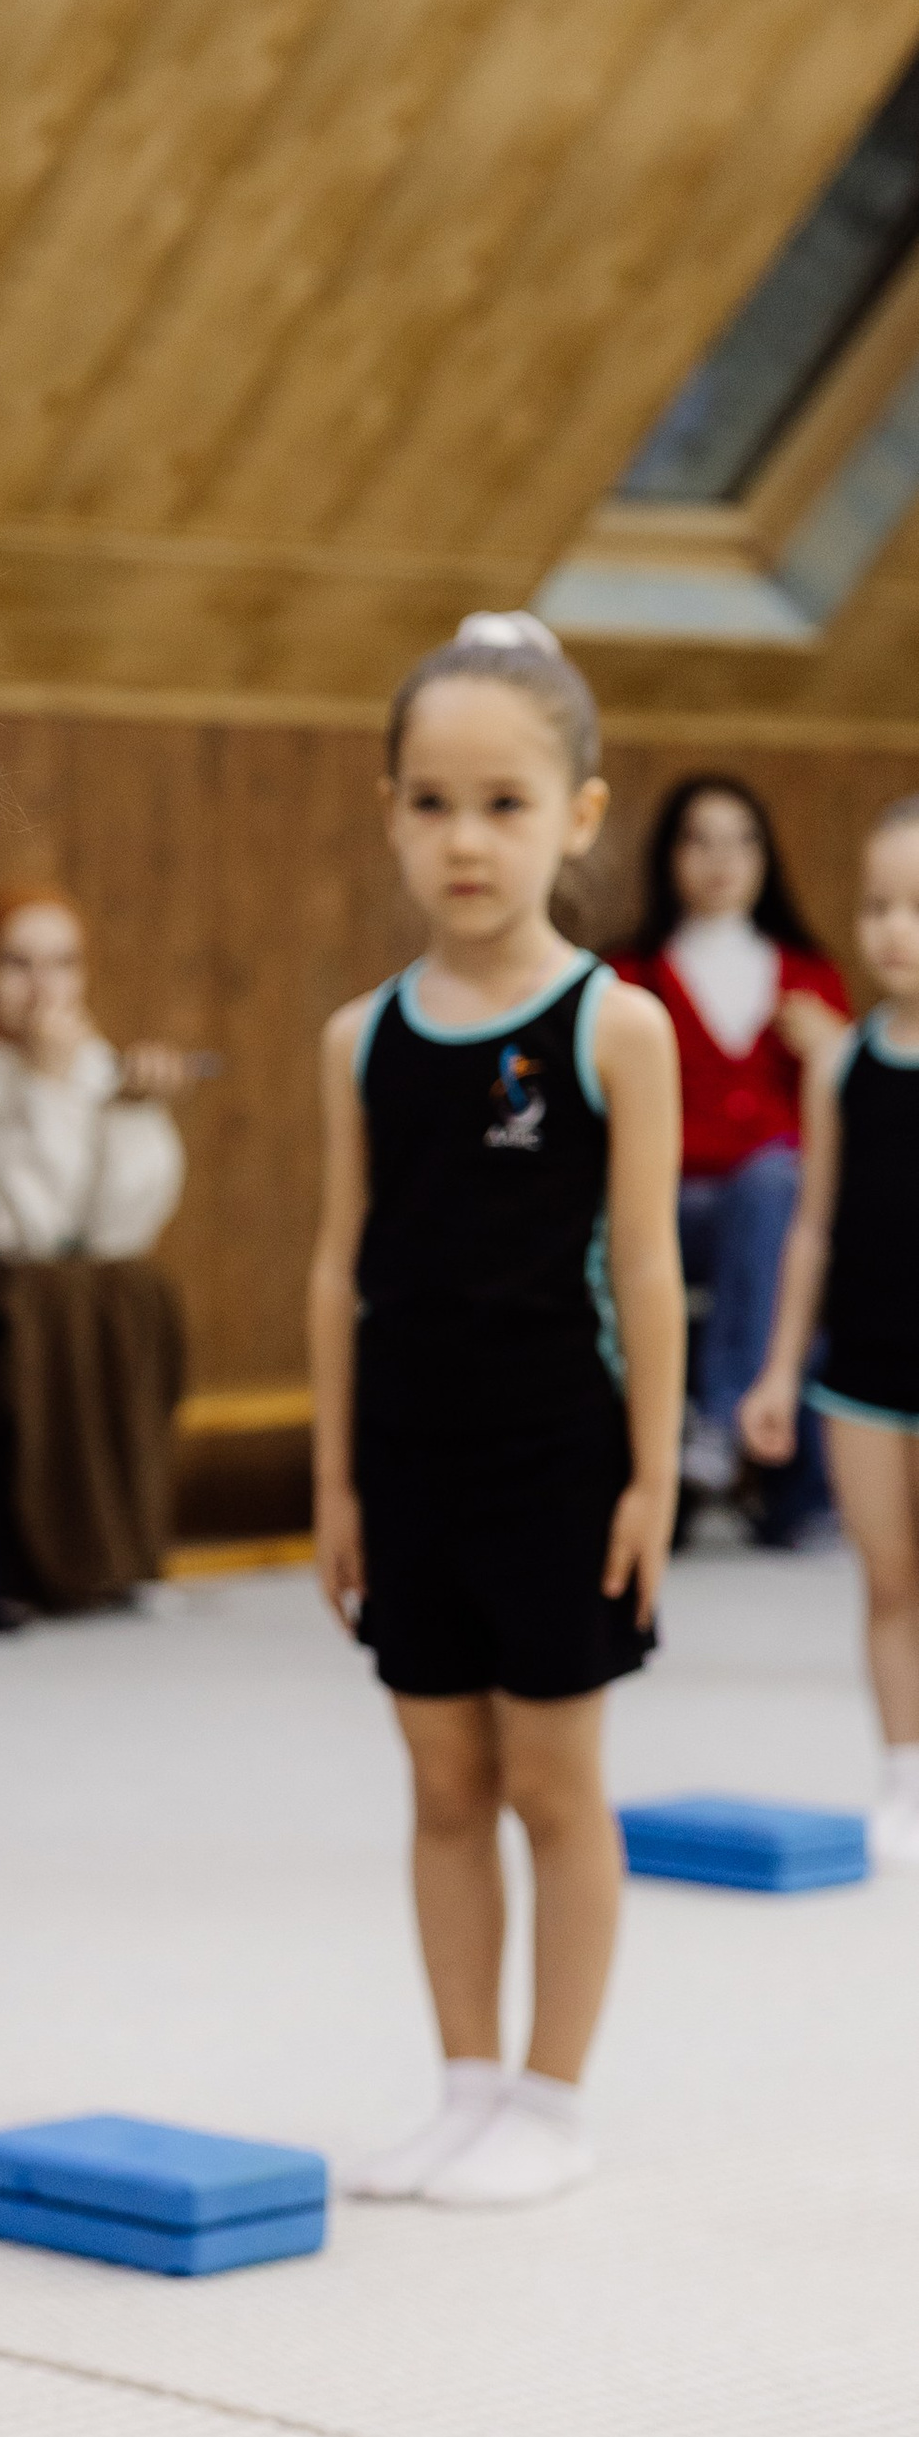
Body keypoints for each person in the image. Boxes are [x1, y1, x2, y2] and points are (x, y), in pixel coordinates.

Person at [310, 612, 682, 2210]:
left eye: (507, 803)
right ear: (392, 809)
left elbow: (651, 1271)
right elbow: (342, 1268)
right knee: (442, 1783)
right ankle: (463, 2082)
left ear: (578, 816)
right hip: (409, 1461)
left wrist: (654, 1480)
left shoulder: (615, 1028)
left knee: (552, 1781)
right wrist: (333, 1483)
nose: (467, 840)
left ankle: (554, 2092)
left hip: (559, 1457)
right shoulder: (362, 1039)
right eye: (435, 803)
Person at [0, 886, 194, 1617]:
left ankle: (108, 1546)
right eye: (17, 964)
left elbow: (117, 1228)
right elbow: (8, 1230)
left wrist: (133, 1112)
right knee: (56, 1305)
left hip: (41, 1275)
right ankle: (37, 1556)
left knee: (136, 1289)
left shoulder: (75, 1047)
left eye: (63, 965)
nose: (44, 989)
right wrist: (47, 1086)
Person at [739, 797, 919, 1864]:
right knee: (887, 1581)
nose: (895, 929)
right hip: (858, 1372)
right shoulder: (839, 1066)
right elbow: (809, 1229)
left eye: (918, 908)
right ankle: (902, 1771)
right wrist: (773, 1370)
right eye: (877, 906)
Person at [611, 774, 847, 1529]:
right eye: (700, 840)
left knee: (776, 1192)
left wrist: (834, 1049)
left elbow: (859, 1113)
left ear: (765, 856)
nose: (721, 860)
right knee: (768, 1208)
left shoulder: (808, 976)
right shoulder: (630, 978)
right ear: (670, 856)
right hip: (668, 1201)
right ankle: (732, 1418)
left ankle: (718, 1423)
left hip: (777, 1205)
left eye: (741, 840)